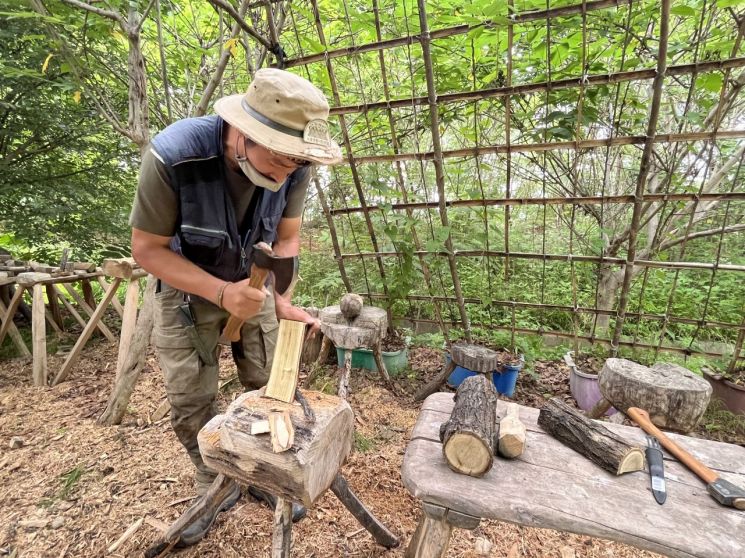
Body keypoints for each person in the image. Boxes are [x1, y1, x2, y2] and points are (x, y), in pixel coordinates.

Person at [129, 68, 342, 545]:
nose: (287, 173)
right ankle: (214, 480)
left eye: (297, 164)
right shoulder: (174, 155)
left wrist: (281, 299)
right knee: (190, 399)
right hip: (184, 293)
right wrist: (223, 294)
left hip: (256, 285)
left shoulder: (296, 164)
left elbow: (286, 239)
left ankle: (263, 470)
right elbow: (147, 250)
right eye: (281, 159)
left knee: (269, 385)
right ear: (244, 133)